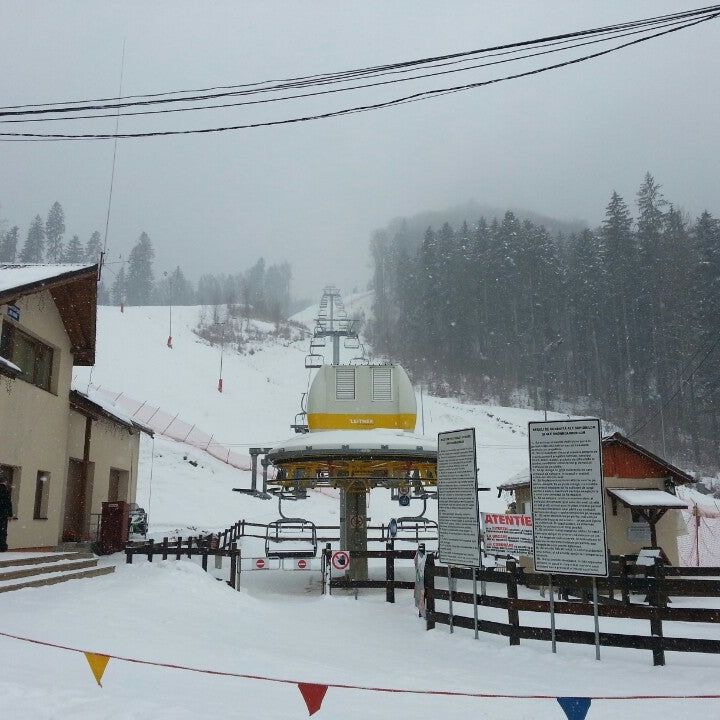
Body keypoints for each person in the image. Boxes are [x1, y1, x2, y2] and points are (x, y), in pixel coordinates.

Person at [0, 479, 12, 552]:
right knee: (3, 531)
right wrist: (9, 514)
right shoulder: (6, 491)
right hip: (3, 515)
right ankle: (2, 546)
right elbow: (8, 503)